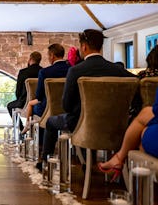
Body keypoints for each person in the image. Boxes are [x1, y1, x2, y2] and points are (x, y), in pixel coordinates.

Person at [39, 29, 135, 170]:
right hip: (115, 125)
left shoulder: (76, 71)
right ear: (100, 46)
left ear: (84, 47)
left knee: (50, 121)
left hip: (81, 123)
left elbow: (66, 105)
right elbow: (137, 85)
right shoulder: (117, 70)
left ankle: (45, 162)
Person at [98, 89, 158, 181]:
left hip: (89, 129)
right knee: (145, 113)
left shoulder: (75, 73)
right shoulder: (130, 76)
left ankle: (143, 191)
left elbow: (67, 105)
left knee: (144, 132)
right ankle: (119, 158)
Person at [23, 44, 70, 133]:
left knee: (34, 106)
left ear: (52, 56)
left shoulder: (44, 72)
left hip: (47, 108)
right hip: (66, 108)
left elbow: (39, 96)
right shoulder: (71, 70)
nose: (48, 58)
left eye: (48, 55)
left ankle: (33, 135)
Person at [6, 51, 42, 120]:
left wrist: (19, 100)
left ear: (30, 59)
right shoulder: (43, 72)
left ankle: (21, 128)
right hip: (39, 103)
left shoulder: (23, 72)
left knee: (9, 106)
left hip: (24, 102)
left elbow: (18, 91)